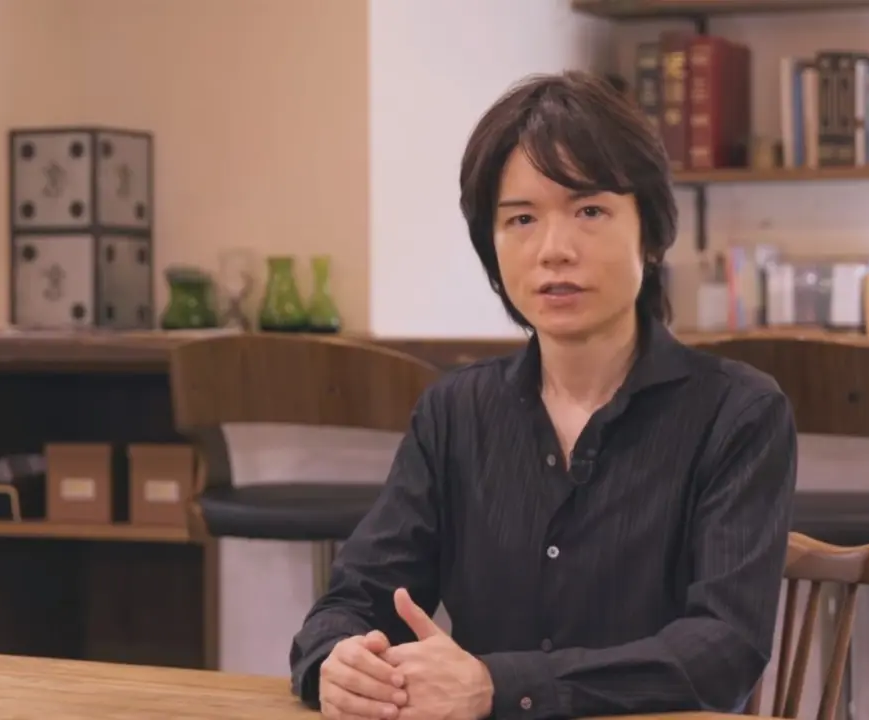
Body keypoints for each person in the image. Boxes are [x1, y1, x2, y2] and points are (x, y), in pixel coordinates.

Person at [289, 70, 797, 720]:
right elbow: (355, 599)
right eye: (521, 219)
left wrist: (497, 687)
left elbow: (723, 651)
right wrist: (338, 661)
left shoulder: (738, 413)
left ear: (650, 233)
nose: (554, 250)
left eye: (589, 211)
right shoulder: (455, 413)